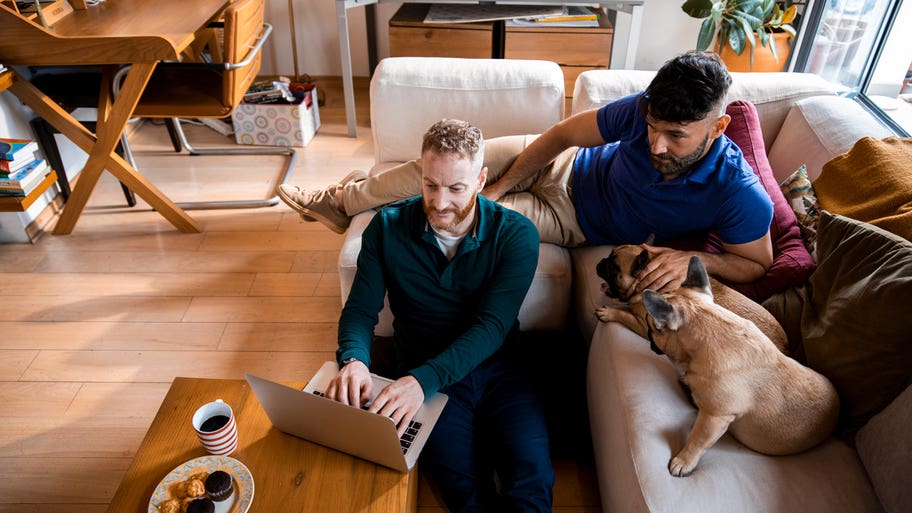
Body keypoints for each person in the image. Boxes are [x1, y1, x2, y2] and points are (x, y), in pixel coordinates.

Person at [278, 51, 774, 296]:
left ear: (719, 126)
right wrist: (502, 181)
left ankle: (360, 204)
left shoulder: (737, 191)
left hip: (572, 220)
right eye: (651, 128)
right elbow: (561, 136)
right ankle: (341, 203)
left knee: (452, 217)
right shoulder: (642, 109)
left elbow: (757, 263)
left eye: (676, 136)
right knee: (440, 169)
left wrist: (690, 260)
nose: (656, 144)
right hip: (562, 164)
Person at [323, 119, 554, 512]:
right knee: (461, 491)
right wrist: (355, 360)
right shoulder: (386, 228)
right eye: (431, 184)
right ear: (421, 173)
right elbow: (361, 309)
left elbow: (492, 326)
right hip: (422, 367)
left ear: (481, 180)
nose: (441, 202)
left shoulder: (517, 235)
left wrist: (419, 382)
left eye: (456, 188)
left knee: (531, 479)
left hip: (499, 370)